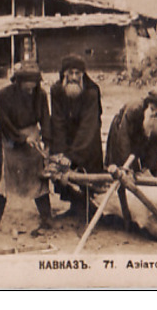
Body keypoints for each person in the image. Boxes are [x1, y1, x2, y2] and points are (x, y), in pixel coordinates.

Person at [0, 61, 53, 239]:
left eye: (34, 87)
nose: (31, 91)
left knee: (39, 179)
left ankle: (46, 219)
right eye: (27, 88)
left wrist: (47, 142)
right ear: (18, 82)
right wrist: (21, 138)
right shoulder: (3, 95)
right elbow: (4, 123)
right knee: (0, 181)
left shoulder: (41, 94)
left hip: (33, 137)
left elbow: (45, 119)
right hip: (10, 139)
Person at [49, 54, 103, 219]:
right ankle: (75, 206)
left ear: (83, 74)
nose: (73, 77)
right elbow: (57, 122)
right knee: (59, 170)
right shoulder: (56, 90)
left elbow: (88, 126)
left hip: (87, 141)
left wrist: (72, 156)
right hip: (66, 141)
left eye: (77, 73)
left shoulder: (91, 92)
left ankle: (87, 209)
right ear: (63, 74)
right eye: (70, 73)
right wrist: (61, 153)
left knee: (87, 176)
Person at [104, 89, 157, 176]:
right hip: (122, 129)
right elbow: (124, 140)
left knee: (147, 171)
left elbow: (156, 146)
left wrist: (149, 168)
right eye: (153, 109)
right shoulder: (134, 109)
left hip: (142, 134)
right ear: (148, 105)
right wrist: (128, 168)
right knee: (122, 166)